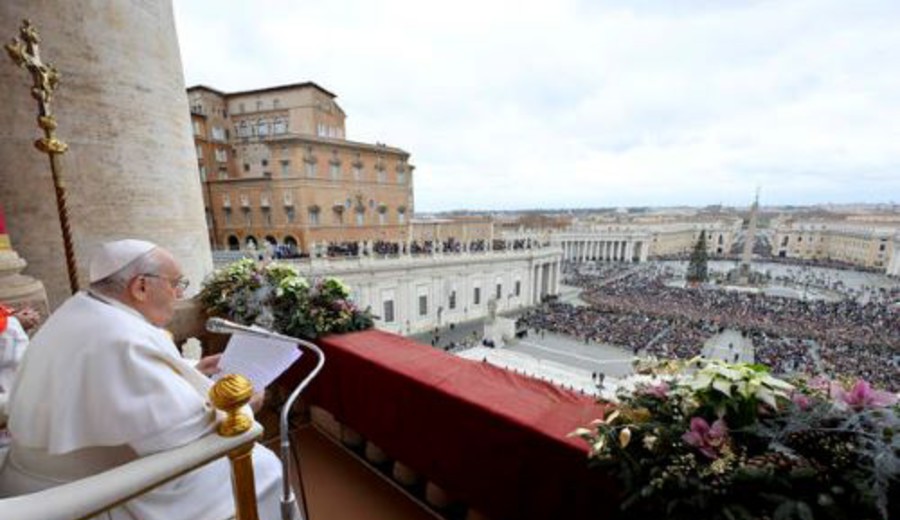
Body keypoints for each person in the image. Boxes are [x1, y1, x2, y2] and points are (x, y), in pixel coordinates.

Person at [0, 239, 288, 519]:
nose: (178, 294)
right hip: (86, 495)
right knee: (264, 467)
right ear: (140, 286)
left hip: (31, 475)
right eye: (175, 283)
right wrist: (246, 407)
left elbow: (115, 389)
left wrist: (190, 372)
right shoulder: (121, 338)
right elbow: (185, 436)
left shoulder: (81, 310)